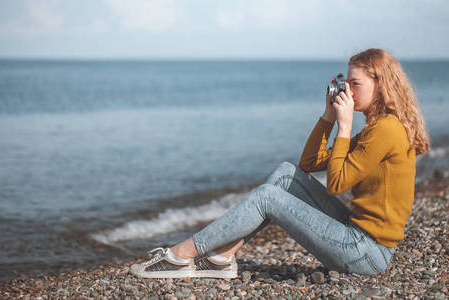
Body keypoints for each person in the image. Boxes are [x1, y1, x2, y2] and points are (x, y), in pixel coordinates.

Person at [129, 48, 430, 279]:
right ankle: (222, 258)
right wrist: (328, 119)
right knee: (287, 175)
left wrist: (345, 126)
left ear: (381, 85)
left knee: (267, 197)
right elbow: (309, 162)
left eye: (355, 84)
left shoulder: (385, 130)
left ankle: (180, 256)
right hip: (358, 236)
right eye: (345, 83)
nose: (347, 91)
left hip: (366, 252)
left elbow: (337, 184)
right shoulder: (378, 127)